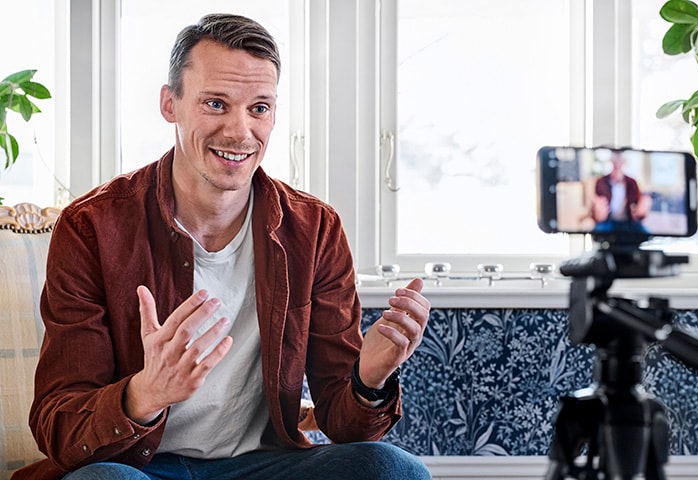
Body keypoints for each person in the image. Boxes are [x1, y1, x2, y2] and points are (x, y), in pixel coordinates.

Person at [15, 13, 432, 480]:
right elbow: (59, 424)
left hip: (263, 465)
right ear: (169, 104)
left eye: (259, 108)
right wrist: (145, 394)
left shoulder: (315, 229)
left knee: (392, 470)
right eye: (216, 103)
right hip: (140, 468)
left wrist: (368, 379)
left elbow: (343, 423)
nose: (240, 132)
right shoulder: (92, 226)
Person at [591, 150, 651, 235]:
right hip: (608, 222)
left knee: (646, 233)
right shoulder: (601, 182)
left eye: (620, 160)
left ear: (624, 162)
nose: (617, 163)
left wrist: (640, 212)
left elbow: (638, 209)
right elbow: (597, 210)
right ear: (611, 161)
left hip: (628, 222)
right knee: (598, 231)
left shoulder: (632, 182)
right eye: (615, 160)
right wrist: (597, 214)